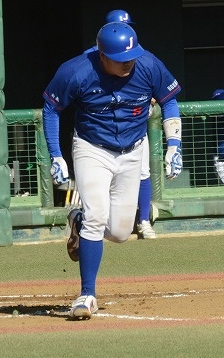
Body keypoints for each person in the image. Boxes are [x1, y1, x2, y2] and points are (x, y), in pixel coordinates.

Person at [43, 21, 182, 320]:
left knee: (119, 233)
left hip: (132, 150)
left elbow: (169, 101)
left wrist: (174, 145)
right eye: (120, 59)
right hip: (91, 148)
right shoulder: (77, 71)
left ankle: (78, 221)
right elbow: (51, 108)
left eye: (131, 57)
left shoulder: (148, 65)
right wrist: (56, 155)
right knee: (96, 216)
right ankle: (87, 294)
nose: (128, 63)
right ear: (102, 55)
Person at [103, 9, 156, 240]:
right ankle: (101, 221)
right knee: (105, 177)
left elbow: (161, 90)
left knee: (143, 173)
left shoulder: (143, 58)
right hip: (104, 130)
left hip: (136, 128)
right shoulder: (94, 58)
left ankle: (143, 221)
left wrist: (150, 95)